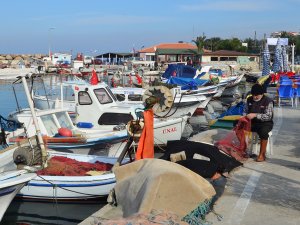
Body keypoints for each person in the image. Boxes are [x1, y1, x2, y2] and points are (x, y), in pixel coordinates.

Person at [244, 83, 274, 162]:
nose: (255, 97)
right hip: (252, 122)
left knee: (264, 132)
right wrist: (244, 116)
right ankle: (244, 150)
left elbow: (268, 116)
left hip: (265, 123)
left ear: (262, 94)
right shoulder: (249, 99)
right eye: (253, 95)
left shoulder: (268, 101)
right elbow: (245, 111)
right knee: (238, 125)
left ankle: (262, 155)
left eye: (257, 95)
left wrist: (255, 115)